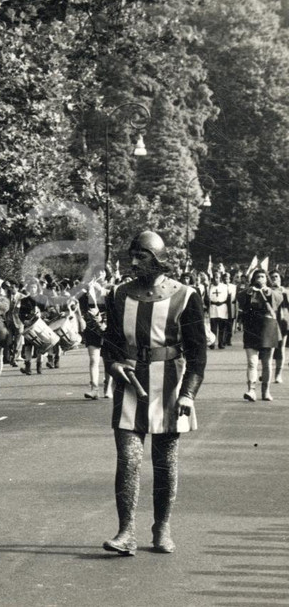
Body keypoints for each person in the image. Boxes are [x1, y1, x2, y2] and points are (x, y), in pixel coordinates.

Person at [101, 231, 207, 555]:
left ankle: (162, 527)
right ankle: (125, 532)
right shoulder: (118, 295)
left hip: (169, 391)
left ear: (158, 259)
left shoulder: (185, 296)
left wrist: (188, 394)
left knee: (165, 464)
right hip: (130, 389)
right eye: (132, 255)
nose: (133, 262)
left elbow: (197, 353)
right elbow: (111, 341)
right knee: (128, 460)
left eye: (141, 256)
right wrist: (113, 364)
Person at [237, 269, 283, 402]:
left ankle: (266, 391)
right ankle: (251, 390)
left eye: (263, 276)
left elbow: (279, 298)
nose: (260, 279)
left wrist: (268, 292)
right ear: (253, 279)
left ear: (266, 279)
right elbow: (239, 298)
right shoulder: (249, 291)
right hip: (252, 327)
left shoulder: (273, 291)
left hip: (268, 327)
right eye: (257, 277)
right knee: (252, 362)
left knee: (267, 363)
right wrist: (248, 292)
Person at [79, 278, 108, 400]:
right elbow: (81, 313)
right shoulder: (84, 298)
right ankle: (94, 389)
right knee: (93, 360)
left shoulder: (109, 296)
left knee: (108, 361)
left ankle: (108, 387)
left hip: (107, 330)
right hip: (92, 330)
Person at [207, 272, 231, 350]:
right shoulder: (210, 287)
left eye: (217, 277)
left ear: (220, 278)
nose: (216, 279)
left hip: (223, 307)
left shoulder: (224, 286)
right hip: (213, 307)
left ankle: (221, 343)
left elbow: (228, 299)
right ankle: (212, 343)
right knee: (213, 327)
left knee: (222, 327)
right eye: (214, 277)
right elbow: (207, 298)